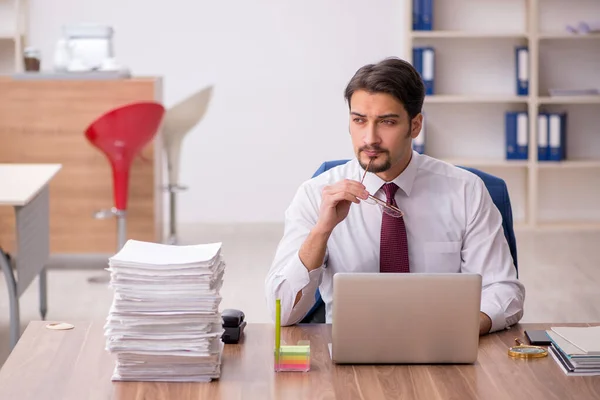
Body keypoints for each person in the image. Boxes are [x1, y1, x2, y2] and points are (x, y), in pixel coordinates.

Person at [264, 57, 525, 335]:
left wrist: (466, 326)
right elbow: (282, 312)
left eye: (386, 122)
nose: (370, 138)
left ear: (415, 126)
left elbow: (503, 289)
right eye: (359, 121)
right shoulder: (316, 194)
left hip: (441, 348)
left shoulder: (465, 190)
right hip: (350, 355)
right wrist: (321, 231)